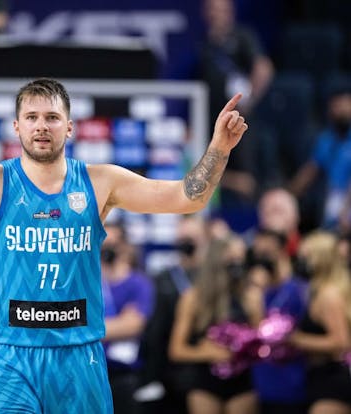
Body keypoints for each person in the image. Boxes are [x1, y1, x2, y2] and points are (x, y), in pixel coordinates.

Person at [0, 62, 249, 413]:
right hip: (9, 356)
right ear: (16, 127)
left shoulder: (99, 183)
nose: (41, 126)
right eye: (31, 117)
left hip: (79, 355)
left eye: (51, 117)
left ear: (70, 126)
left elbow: (186, 197)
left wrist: (219, 148)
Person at [197, 0, 274, 231]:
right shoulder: (205, 45)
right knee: (211, 168)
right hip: (214, 121)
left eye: (221, 9)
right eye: (212, 9)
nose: (216, 14)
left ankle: (249, 225)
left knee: (246, 179)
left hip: (240, 120)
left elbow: (264, 68)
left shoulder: (243, 37)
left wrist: (248, 101)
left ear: (230, 12)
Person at [168, 236, 262, 414]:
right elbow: (176, 350)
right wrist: (206, 353)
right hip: (205, 382)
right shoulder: (193, 298)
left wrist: (242, 347)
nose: (237, 266)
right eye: (232, 260)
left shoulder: (251, 296)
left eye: (240, 260)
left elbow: (261, 345)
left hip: (241, 380)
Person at [140, 214, 211, 414]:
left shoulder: (213, 278)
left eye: (192, 238)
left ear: (204, 239)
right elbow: (154, 333)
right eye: (182, 238)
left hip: (206, 366)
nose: (186, 244)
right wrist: (151, 377)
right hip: (171, 369)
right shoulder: (162, 278)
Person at [289, 231, 351, 414]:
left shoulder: (328, 295)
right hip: (318, 375)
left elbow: (341, 342)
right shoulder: (317, 291)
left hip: (332, 378)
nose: (301, 262)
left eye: (306, 257)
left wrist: (296, 339)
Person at [248, 228, 308, 414]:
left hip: (294, 383)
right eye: (258, 255)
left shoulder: (301, 290)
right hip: (260, 385)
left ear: (282, 251)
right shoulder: (253, 292)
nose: (262, 262)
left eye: (267, 254)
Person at [101, 237, 155, 414]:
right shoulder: (86, 280)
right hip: (88, 368)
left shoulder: (137, 283)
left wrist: (85, 328)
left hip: (121, 371)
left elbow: (132, 326)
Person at [289, 89, 351, 228]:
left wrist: (346, 209)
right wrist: (288, 195)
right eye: (336, 107)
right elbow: (311, 170)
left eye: (345, 106)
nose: (340, 110)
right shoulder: (326, 139)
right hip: (331, 198)